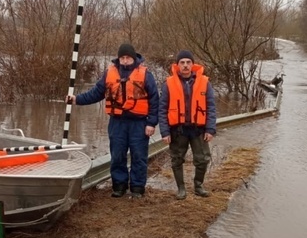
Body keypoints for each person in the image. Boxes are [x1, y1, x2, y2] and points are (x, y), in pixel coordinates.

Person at [66, 43, 159, 198]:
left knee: (139, 156)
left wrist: (151, 123)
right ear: (118, 59)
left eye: (128, 57)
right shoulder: (109, 73)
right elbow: (96, 93)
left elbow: (155, 100)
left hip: (139, 123)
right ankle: (119, 186)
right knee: (117, 155)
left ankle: (137, 188)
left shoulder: (145, 75)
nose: (125, 61)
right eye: (122, 57)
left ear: (134, 58)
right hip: (117, 123)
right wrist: (77, 99)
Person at [158, 50, 217, 200]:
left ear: (193, 64)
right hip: (178, 130)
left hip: (198, 129)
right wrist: (164, 132)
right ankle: (181, 189)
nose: (185, 65)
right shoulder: (168, 84)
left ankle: (198, 186)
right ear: (177, 65)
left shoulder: (205, 82)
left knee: (203, 158)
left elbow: (211, 107)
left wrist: (210, 129)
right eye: (182, 63)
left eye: (188, 62)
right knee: (177, 159)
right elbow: (162, 109)